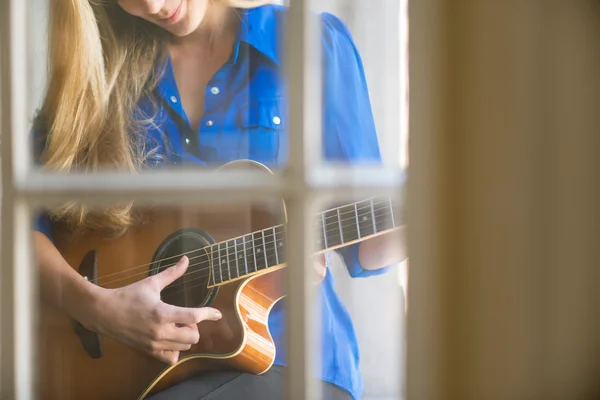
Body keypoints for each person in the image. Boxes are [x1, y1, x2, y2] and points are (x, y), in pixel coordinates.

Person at [33, 0, 407, 399]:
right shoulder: (98, 68)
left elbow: (366, 248)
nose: (154, 6)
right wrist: (99, 309)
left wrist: (432, 210)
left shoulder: (313, 45)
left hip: (287, 359)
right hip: (136, 372)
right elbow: (19, 228)